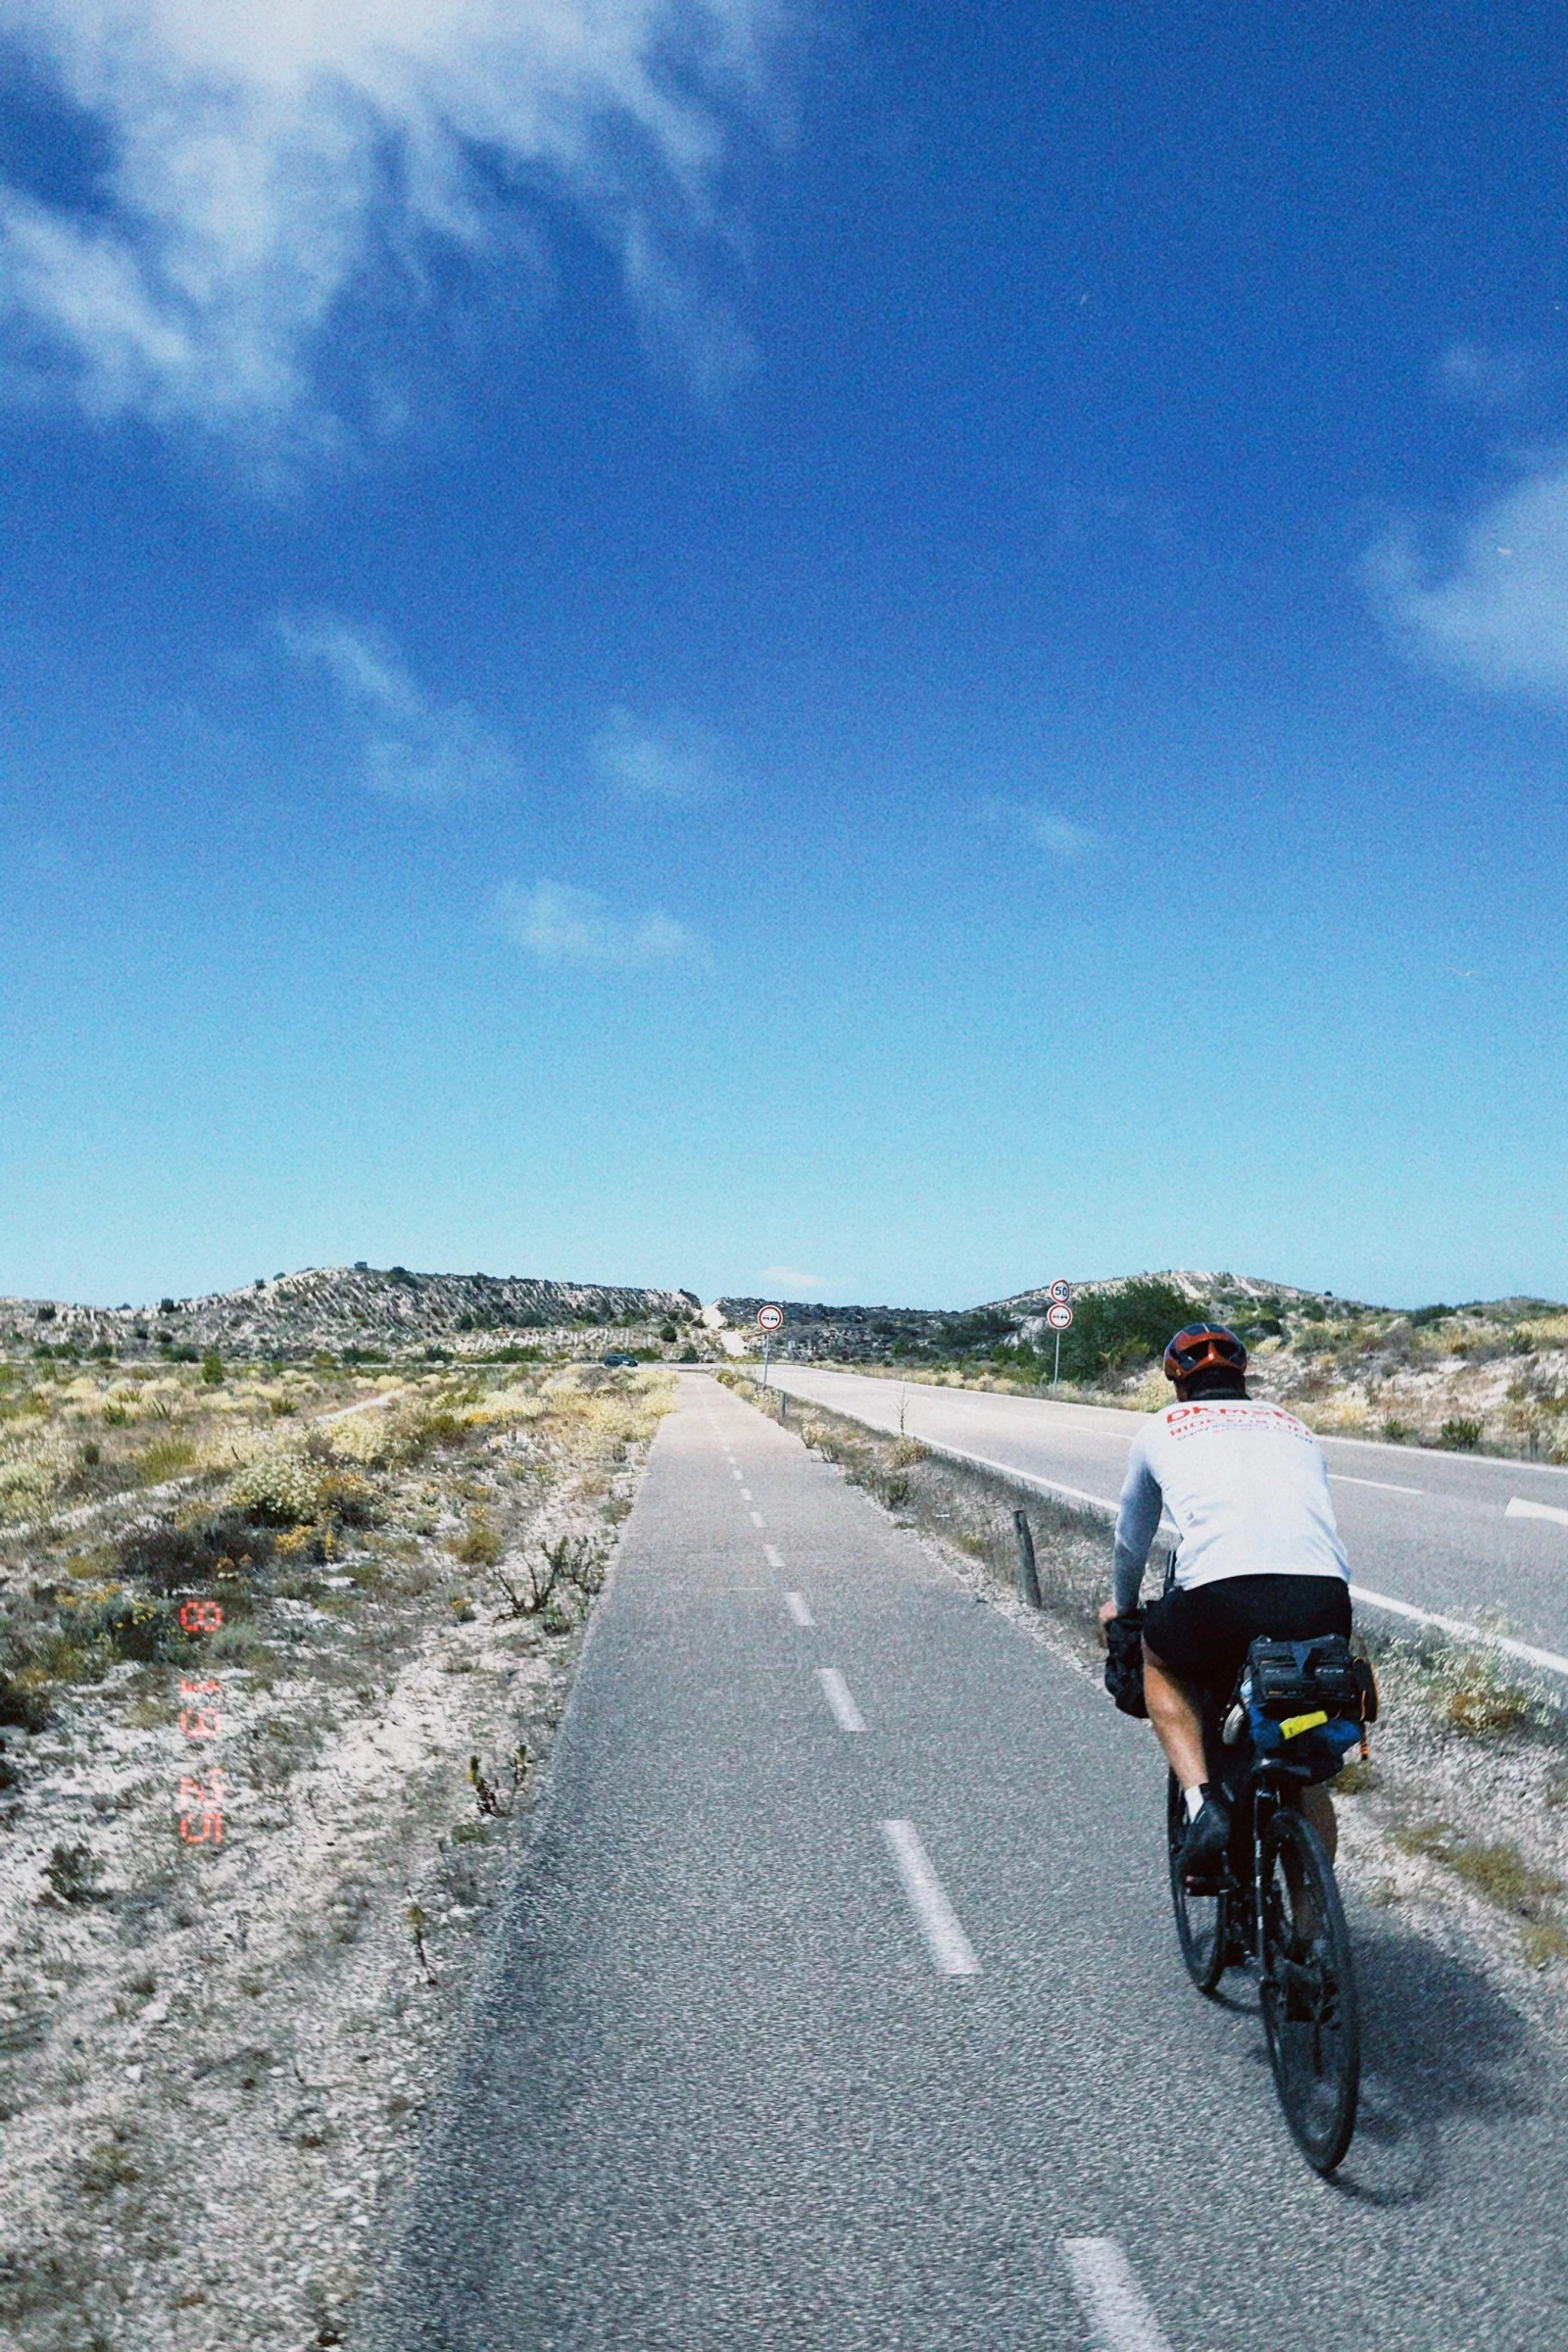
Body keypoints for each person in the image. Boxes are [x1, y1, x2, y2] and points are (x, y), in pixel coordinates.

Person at [1099, 1322, 1352, 1882]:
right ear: (1241, 1378)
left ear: (1178, 1384)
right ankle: (1310, 1944)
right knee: (1301, 1763)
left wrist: (1120, 1608)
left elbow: (1130, 1539)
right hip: (1324, 1597)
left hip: (1220, 1594)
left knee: (1159, 1664)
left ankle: (1202, 1803)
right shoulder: (1296, 1427)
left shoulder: (1162, 1426)